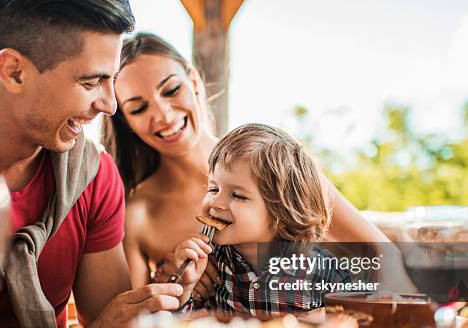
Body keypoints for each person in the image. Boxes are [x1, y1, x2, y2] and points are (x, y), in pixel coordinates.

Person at [0, 0, 184, 328]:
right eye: (92, 82)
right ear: (14, 71)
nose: (110, 105)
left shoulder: (93, 175)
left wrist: (170, 294)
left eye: (113, 80)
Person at [102, 33, 413, 298]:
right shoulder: (138, 212)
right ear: (126, 121)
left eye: (171, 90)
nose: (164, 115)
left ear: (193, 80)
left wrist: (382, 324)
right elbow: (136, 321)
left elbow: (382, 254)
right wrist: (171, 283)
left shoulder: (272, 165)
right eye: (139, 107)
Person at [172, 124, 352, 315]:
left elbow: (354, 323)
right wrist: (185, 289)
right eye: (213, 188)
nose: (216, 202)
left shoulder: (321, 270)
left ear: (282, 212)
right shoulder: (209, 263)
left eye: (238, 196)